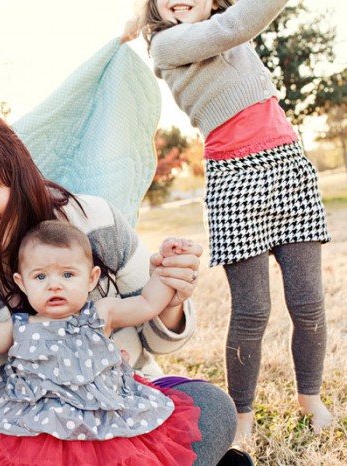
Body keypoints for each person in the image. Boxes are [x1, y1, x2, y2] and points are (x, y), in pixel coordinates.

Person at [0, 112, 237, 466]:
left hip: (114, 404)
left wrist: (171, 291)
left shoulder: (92, 220)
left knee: (212, 409)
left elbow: (156, 334)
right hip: (1, 429)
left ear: (18, 177)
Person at [122, 0, 333, 445]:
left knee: (309, 303)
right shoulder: (167, 44)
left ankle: (310, 398)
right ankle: (241, 414)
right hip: (235, 179)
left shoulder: (225, 24)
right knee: (253, 310)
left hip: (288, 165)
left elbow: (232, 20)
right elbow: (234, 26)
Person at [0, 222, 201, 465]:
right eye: (40, 277)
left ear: (91, 278)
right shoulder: (21, 327)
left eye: (67, 275)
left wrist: (166, 271)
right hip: (42, 430)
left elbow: (148, 304)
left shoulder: (101, 313)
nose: (54, 286)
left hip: (102, 418)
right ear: (22, 283)